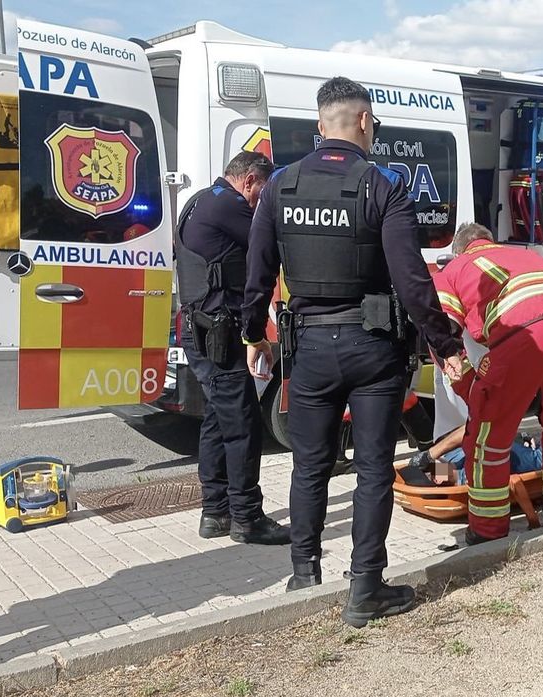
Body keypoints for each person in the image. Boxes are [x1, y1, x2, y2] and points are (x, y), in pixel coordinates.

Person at [242, 77, 465, 628]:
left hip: (309, 348)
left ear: (323, 126)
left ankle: (304, 574)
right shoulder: (383, 185)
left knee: (309, 464)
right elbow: (412, 281)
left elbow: (257, 271)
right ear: (365, 121)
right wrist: (447, 344)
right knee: (370, 469)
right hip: (373, 349)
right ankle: (365, 587)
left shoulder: (280, 186)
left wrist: (255, 336)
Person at [432, 223, 543, 543]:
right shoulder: (522, 254)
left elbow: (440, 329)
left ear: (458, 251)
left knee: (486, 439)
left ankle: (487, 531)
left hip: (526, 329)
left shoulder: (455, 268)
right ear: (490, 241)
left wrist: (468, 385)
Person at [176, 151, 289, 545]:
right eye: (262, 192)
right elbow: (272, 244)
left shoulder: (197, 202)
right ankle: (247, 518)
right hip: (219, 331)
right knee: (241, 423)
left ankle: (215, 512)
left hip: (198, 327)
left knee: (217, 417)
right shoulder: (230, 205)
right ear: (250, 181)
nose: (261, 201)